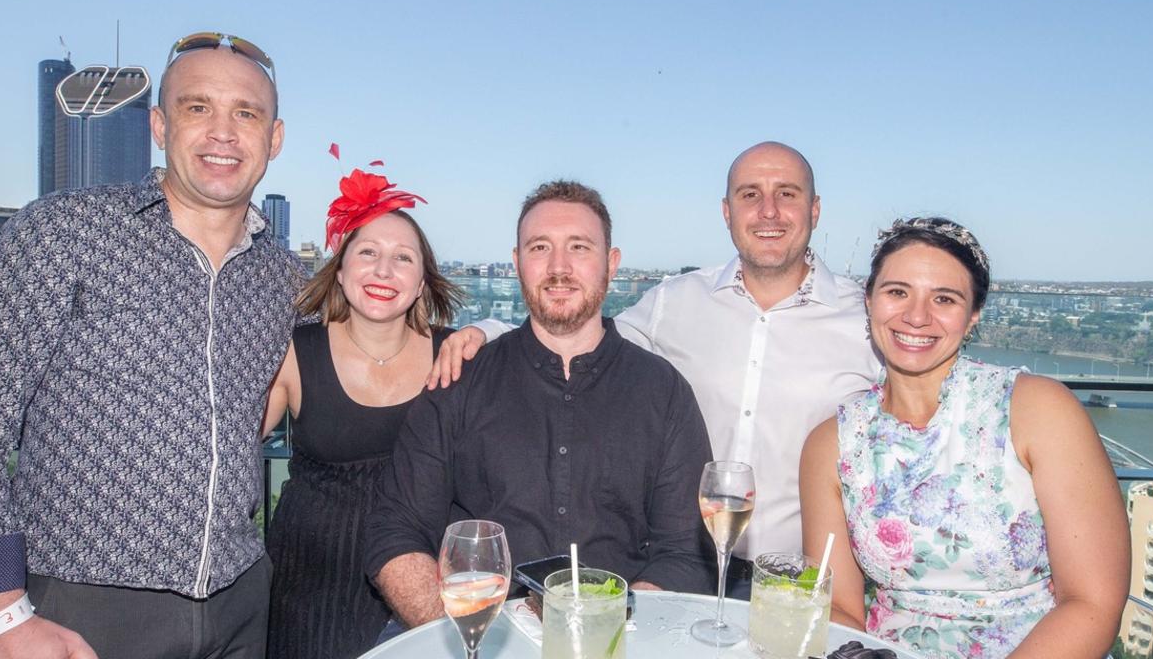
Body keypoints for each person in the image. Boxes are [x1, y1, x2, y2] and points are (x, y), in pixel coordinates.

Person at [0, 32, 297, 659]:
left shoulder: (281, 276)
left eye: (245, 113)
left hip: (241, 605)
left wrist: (471, 340)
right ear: (160, 126)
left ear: (273, 139)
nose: (223, 131)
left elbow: (367, 344)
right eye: (198, 107)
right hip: (81, 611)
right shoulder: (65, 231)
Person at [430, 142, 879, 583]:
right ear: (727, 212)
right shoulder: (676, 300)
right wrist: (487, 333)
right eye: (749, 195)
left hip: (805, 582)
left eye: (787, 193)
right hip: (694, 571)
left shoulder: (867, 318)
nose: (768, 210)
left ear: (815, 209)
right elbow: (579, 334)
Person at [364, 180, 714, 629]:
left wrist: (605, 631)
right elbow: (396, 532)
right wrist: (464, 641)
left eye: (579, 247)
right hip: (480, 632)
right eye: (540, 247)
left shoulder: (664, 392)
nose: (559, 267)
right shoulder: (458, 380)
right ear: (517, 263)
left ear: (611, 263)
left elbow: (685, 553)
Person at [800, 217, 1129, 658]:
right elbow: (838, 607)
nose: (916, 316)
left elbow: (1093, 602)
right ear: (869, 300)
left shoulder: (1038, 411)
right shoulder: (830, 445)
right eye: (897, 292)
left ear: (972, 316)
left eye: (944, 299)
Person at [262, 168, 464, 658]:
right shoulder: (294, 352)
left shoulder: (453, 355)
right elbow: (219, 452)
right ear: (342, 267)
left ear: (420, 284)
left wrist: (482, 334)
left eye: (402, 258)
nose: (383, 270)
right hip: (309, 588)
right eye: (368, 252)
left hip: (419, 584)